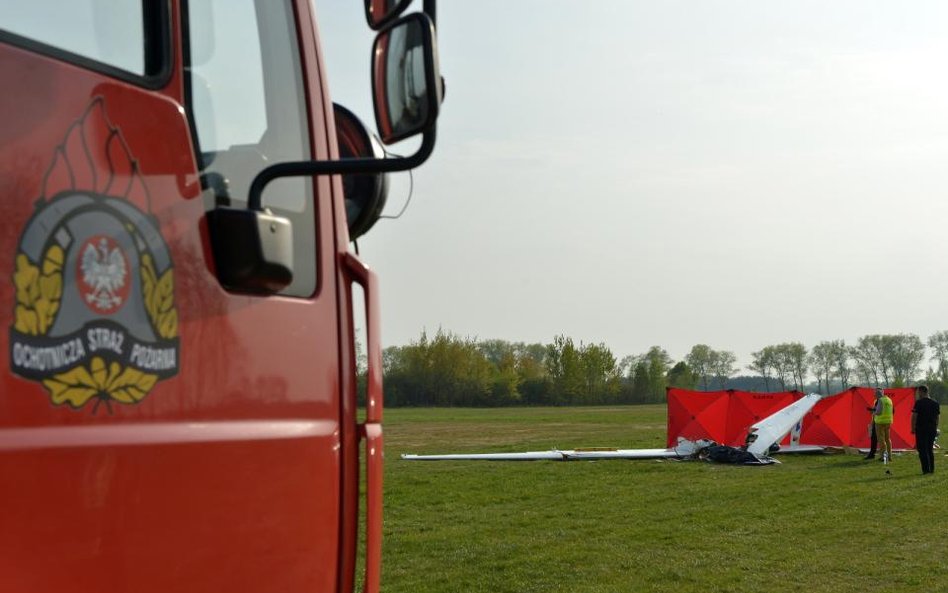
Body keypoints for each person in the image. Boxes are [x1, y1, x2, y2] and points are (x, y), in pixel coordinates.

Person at [911, 384, 940, 474]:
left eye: (918, 392)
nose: (918, 394)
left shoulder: (919, 403)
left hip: (921, 428)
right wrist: (936, 427)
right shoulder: (935, 403)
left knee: (922, 449)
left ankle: (925, 470)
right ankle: (932, 469)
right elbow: (938, 417)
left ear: (922, 391)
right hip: (932, 428)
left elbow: (914, 416)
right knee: (929, 449)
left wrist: (912, 428)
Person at [872, 388, 894, 463]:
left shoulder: (880, 400)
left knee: (881, 440)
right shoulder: (889, 400)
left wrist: (873, 412)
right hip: (888, 422)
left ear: (878, 394)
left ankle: (883, 457)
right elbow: (892, 411)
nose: (875, 396)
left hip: (880, 422)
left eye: (875, 395)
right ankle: (890, 456)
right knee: (888, 439)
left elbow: (878, 412)